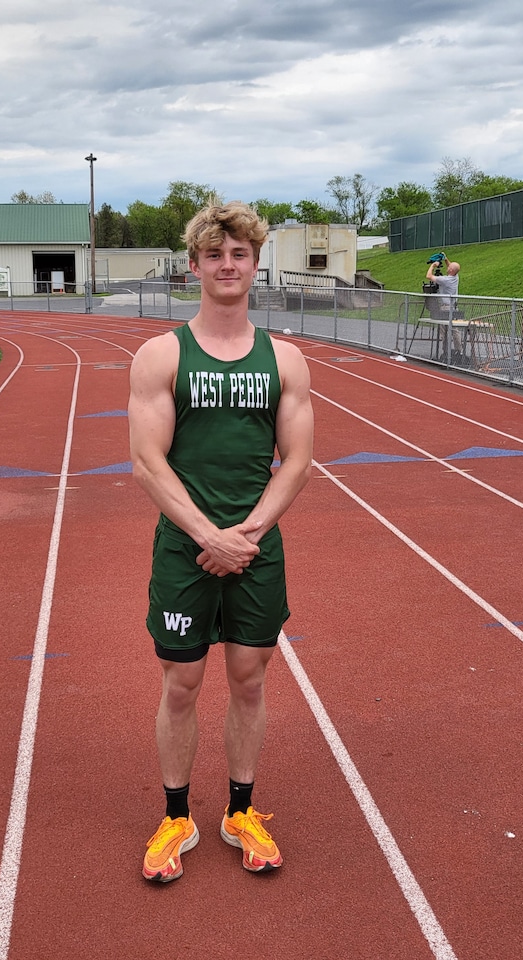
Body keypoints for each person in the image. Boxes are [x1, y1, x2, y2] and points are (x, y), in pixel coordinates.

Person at [128, 201, 314, 883]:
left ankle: (241, 810)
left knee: (248, 678)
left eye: (239, 255)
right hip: (186, 549)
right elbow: (148, 461)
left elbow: (296, 460)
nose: (227, 266)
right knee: (181, 682)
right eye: (215, 255)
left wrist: (246, 537)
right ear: (195, 266)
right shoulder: (161, 355)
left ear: (255, 265)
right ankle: (176, 817)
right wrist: (209, 536)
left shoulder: (285, 360)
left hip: (256, 548)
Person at [424, 251, 460, 320]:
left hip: (446, 308)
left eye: (449, 267)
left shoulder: (445, 280)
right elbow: (452, 267)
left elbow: (428, 276)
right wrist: (445, 258)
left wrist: (433, 265)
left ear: (451, 270)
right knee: (453, 327)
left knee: (443, 328)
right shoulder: (456, 277)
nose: (448, 267)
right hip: (454, 307)